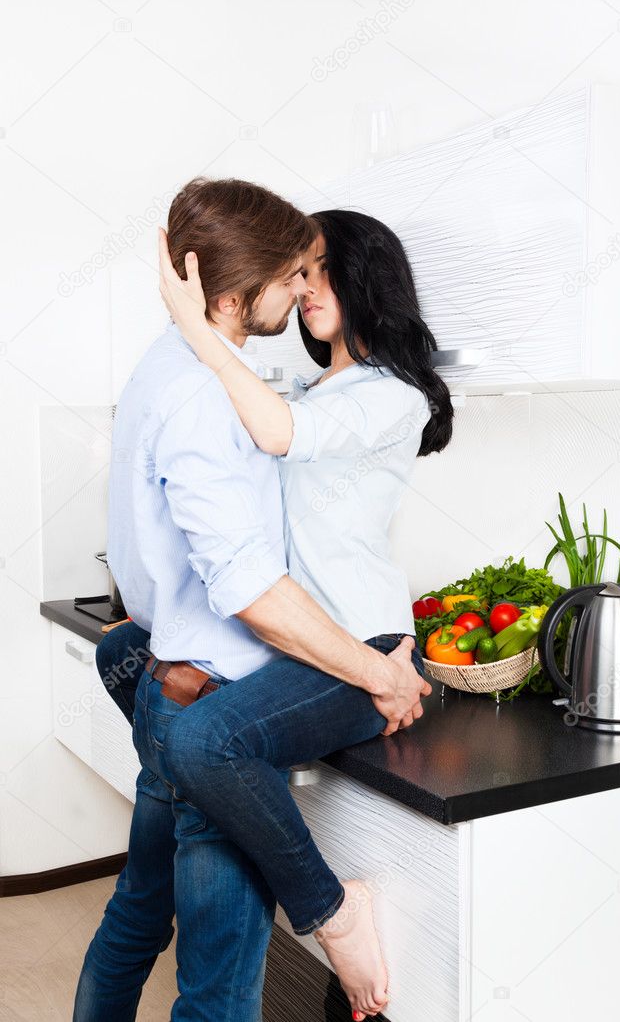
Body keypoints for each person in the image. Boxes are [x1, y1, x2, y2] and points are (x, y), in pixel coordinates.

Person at [74, 178, 437, 1022]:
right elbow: (246, 578)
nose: (305, 288)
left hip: (258, 664)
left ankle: (329, 912)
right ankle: (333, 910)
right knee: (210, 979)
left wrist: (198, 329)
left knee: (143, 915)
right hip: (222, 673)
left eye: (321, 271)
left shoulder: (192, 368)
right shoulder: (218, 382)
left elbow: (280, 460)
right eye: (297, 271)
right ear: (251, 283)